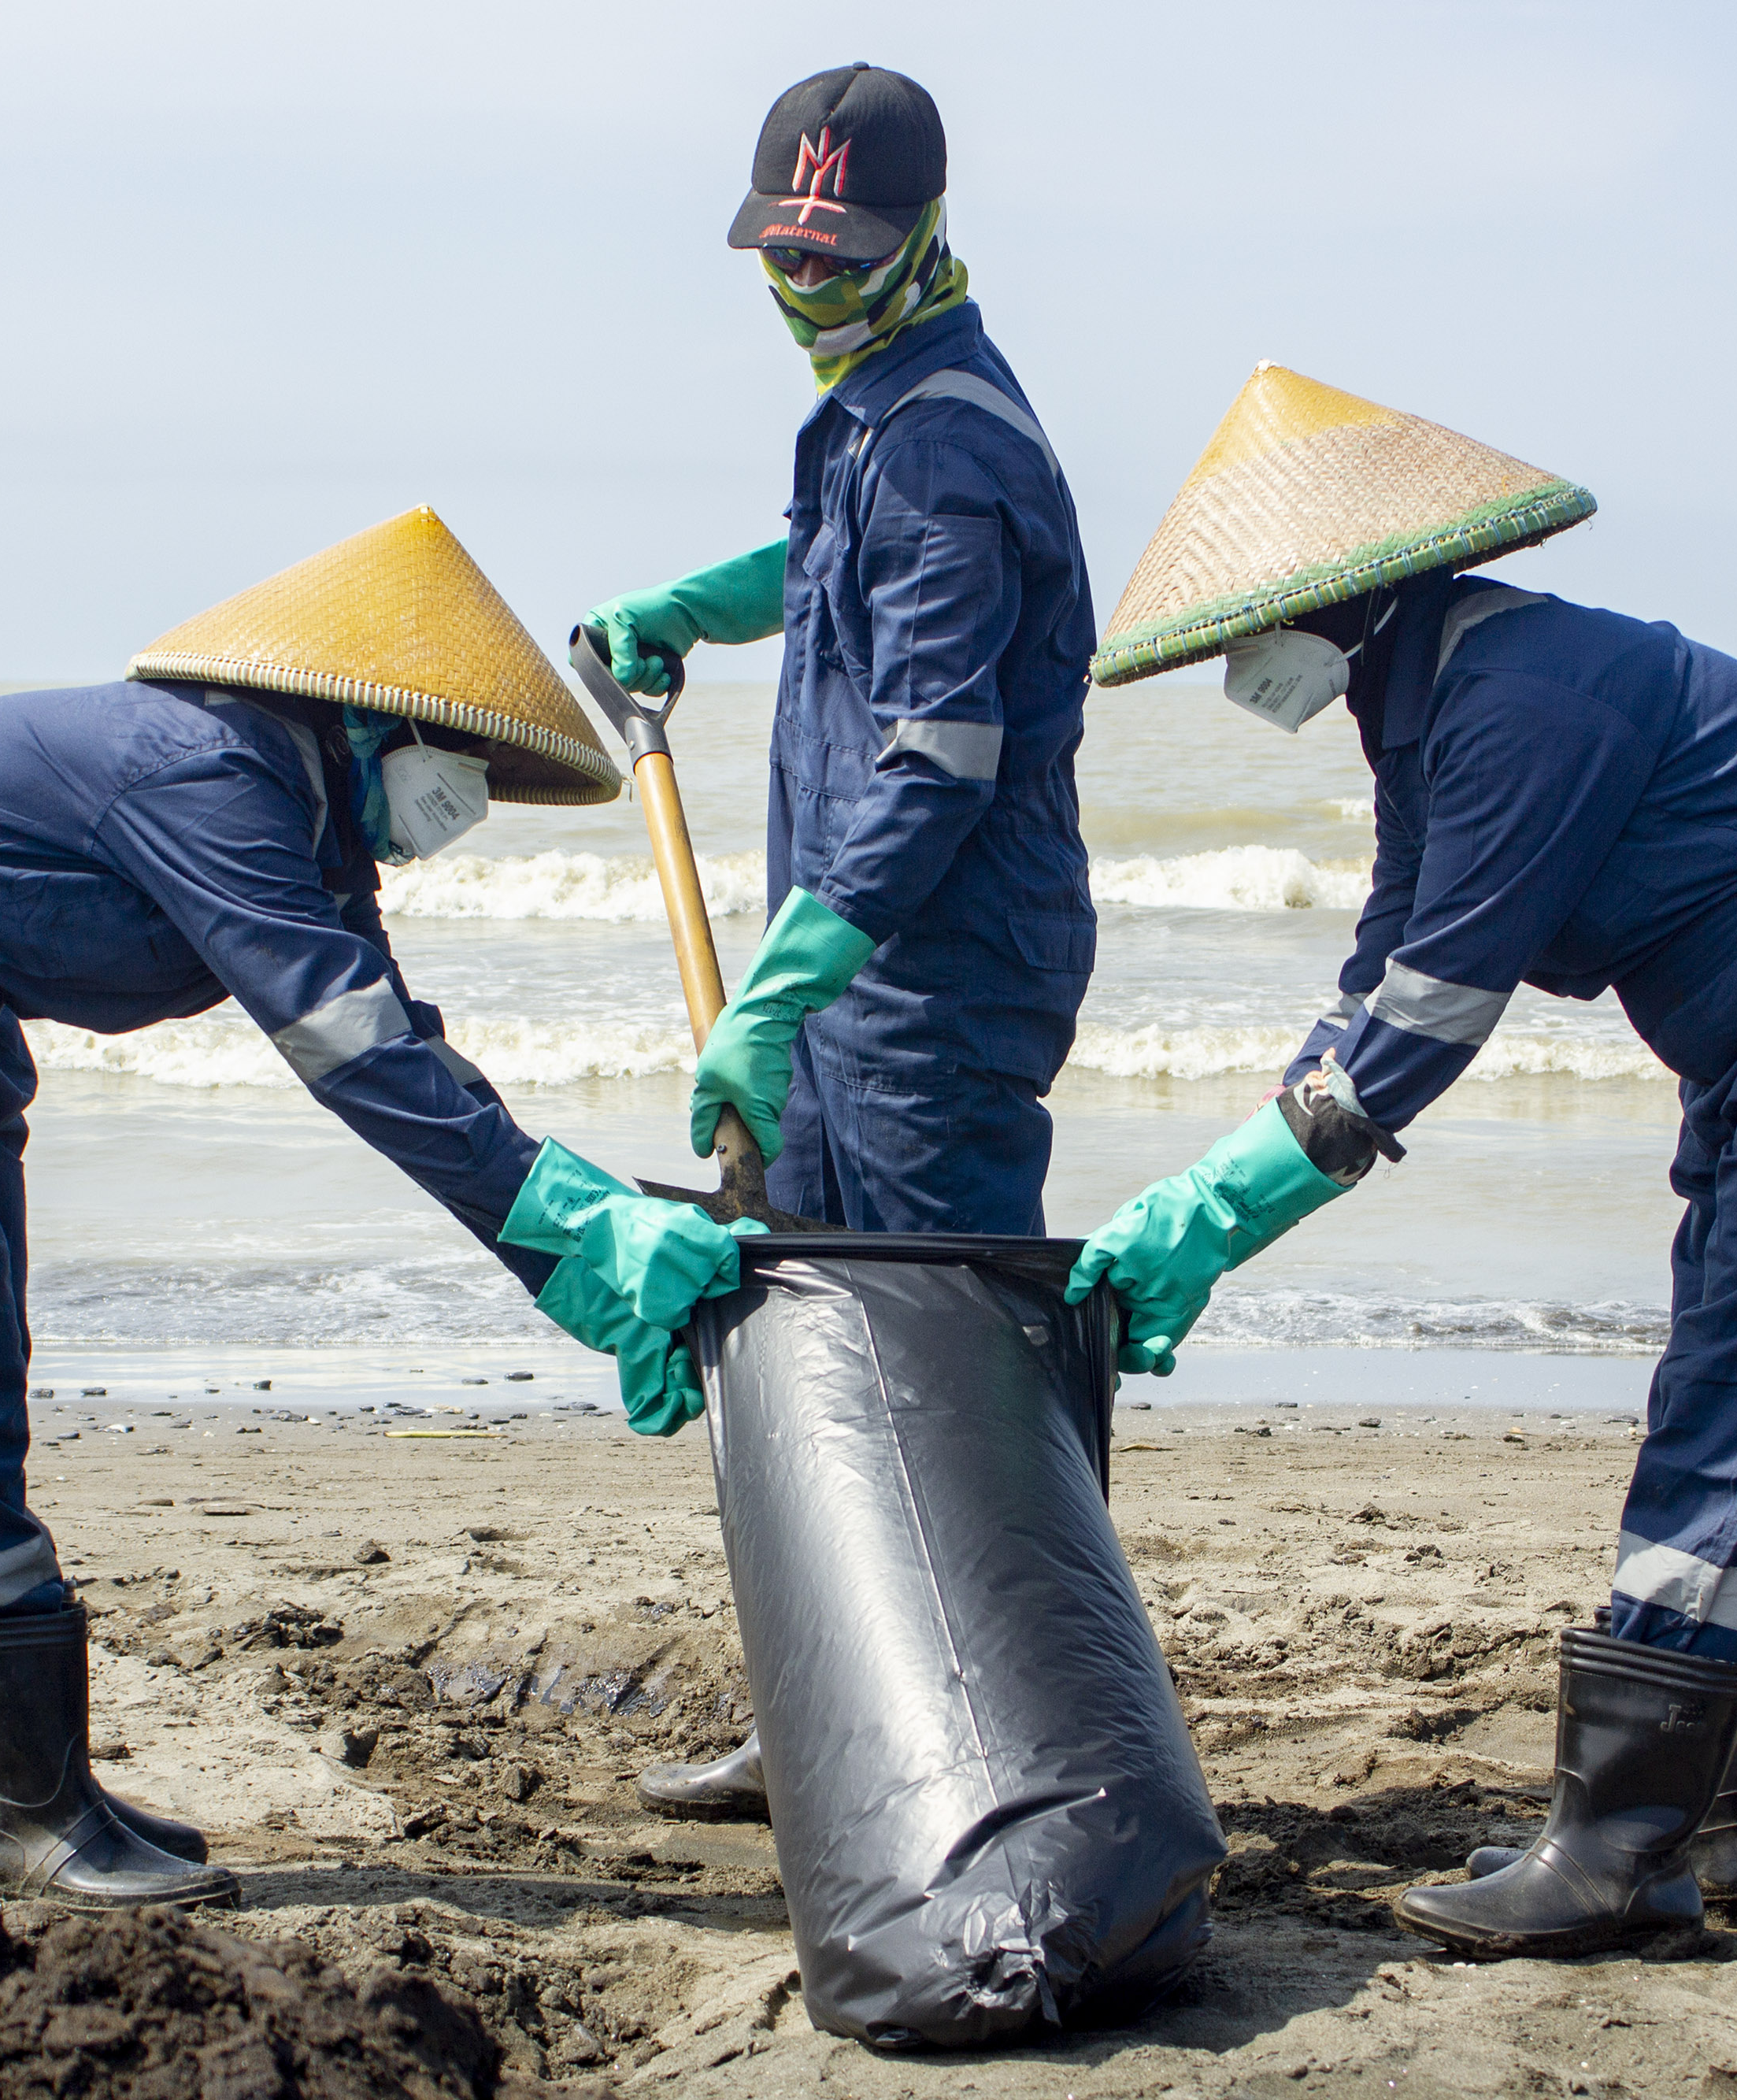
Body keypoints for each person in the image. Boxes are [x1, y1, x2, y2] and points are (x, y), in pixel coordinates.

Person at [0, 509, 752, 1908]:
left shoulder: (299, 825)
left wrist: (583, 1215)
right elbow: (350, 1054)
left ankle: (31, 1778)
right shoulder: (208, 770)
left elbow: (401, 1042)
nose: (467, 798)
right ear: (367, 714)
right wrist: (566, 1239)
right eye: (462, 761)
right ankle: (10, 1803)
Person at [1070, 365, 1737, 1960]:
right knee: (1727, 1368)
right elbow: (1386, 955)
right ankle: (1696, 1816)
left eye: (1246, 625)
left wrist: (1219, 1214)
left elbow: (1437, 1007)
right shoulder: (1426, 698)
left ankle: (1620, 1844)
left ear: (1343, 590)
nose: (1238, 663)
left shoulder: (1518, 698)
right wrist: (1264, 1114)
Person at [577, 63, 1098, 1817]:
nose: (806, 283)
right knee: (816, 1332)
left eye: (838, 254)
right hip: (849, 975)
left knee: (957, 1359)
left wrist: (783, 985)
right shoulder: (877, 404)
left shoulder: (953, 439)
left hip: (933, 979)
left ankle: (1027, 1736)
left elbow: (941, 756)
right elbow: (822, 554)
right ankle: (833, 1705)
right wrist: (694, 610)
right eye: (781, 253)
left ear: (926, 231)